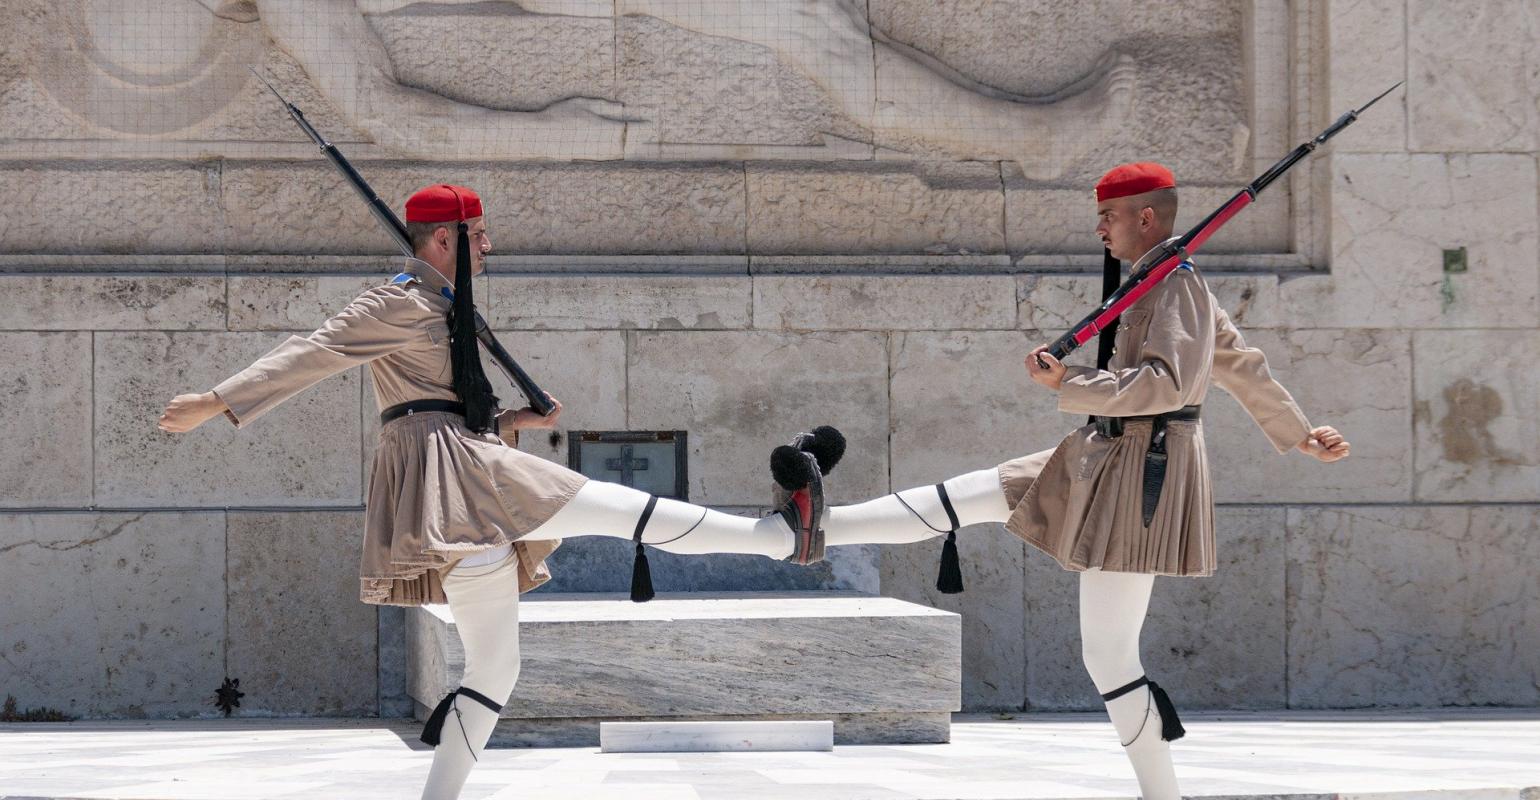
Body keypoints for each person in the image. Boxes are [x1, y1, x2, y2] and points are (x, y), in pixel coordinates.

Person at [157, 183, 823, 800]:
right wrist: (218, 401)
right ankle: (773, 537)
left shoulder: (444, 305)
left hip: (459, 476)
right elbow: (316, 349)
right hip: (456, 473)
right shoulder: (397, 299)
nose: (488, 245)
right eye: (477, 234)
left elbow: (439, 402)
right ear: (442, 240)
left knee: (495, 670)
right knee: (611, 505)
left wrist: (512, 423)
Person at [770, 162, 1351, 799]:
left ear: (1146, 217)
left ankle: (1163, 795)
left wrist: (1069, 382)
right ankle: (821, 521)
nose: (1100, 227)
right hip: (1105, 454)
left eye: (1110, 215)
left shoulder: (1175, 285)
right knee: (977, 491)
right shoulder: (1160, 281)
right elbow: (1240, 362)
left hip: (1142, 476)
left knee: (1109, 657)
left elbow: (1173, 384)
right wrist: (1299, 431)